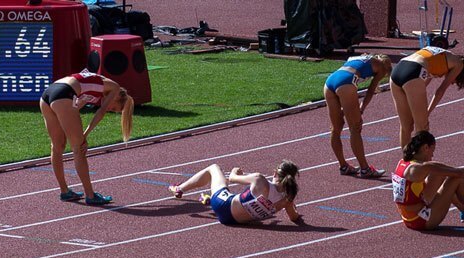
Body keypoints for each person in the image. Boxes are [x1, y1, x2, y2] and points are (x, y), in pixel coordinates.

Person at [40, 68, 134, 205]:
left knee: (57, 146)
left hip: (48, 94)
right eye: (114, 108)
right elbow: (101, 112)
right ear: (118, 97)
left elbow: (76, 107)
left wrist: (75, 131)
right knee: (79, 148)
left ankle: (65, 191)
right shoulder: (114, 87)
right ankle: (90, 195)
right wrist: (84, 135)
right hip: (63, 93)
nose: (109, 109)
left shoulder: (95, 88)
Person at [391, 131, 464, 230]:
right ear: (425, 148)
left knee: (440, 175)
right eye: (432, 151)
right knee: (456, 179)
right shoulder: (417, 168)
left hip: (409, 217)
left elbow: (434, 166)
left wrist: (458, 169)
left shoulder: (404, 162)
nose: (432, 155)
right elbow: (453, 173)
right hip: (422, 221)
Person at [168, 160, 302, 225]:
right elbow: (294, 217)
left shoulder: (259, 179)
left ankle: (180, 189)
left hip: (222, 205)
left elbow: (231, 178)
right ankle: (209, 199)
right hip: (234, 221)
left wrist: (235, 171)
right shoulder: (287, 199)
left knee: (214, 168)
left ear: (275, 172)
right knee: (240, 198)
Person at [323, 54, 392, 178]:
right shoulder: (382, 67)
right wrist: (361, 108)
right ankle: (365, 169)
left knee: (335, 128)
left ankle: (343, 166)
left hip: (330, 82)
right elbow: (371, 90)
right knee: (355, 128)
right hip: (346, 82)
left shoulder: (361, 57)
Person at [390, 46, 464, 148]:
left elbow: (422, 84)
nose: (453, 82)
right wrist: (427, 112)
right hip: (414, 71)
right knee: (422, 128)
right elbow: (440, 91)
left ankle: (406, 161)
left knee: (406, 126)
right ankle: (421, 163)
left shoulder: (438, 58)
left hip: (398, 69)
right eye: (455, 80)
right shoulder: (459, 64)